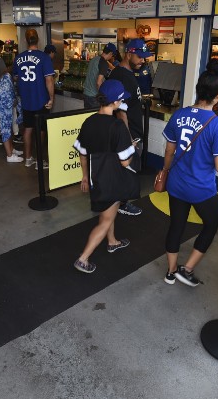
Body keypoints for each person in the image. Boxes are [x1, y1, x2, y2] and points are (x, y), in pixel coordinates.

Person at [161, 60, 218, 287]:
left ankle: (171, 272)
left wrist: (165, 171)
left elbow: (169, 150)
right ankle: (188, 269)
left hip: (176, 182)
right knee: (211, 224)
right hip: (200, 188)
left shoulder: (179, 114)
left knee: (177, 224)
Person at [72, 80, 135, 274]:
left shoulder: (89, 121)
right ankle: (83, 259)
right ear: (116, 102)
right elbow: (125, 162)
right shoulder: (117, 126)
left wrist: (84, 177)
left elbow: (82, 152)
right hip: (112, 180)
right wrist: (133, 147)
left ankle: (112, 241)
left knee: (108, 212)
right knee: (105, 220)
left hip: (94, 177)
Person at [107, 38, 152, 216]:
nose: (142, 60)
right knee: (125, 169)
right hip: (127, 132)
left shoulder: (127, 73)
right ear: (128, 54)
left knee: (128, 170)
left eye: (144, 57)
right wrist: (127, 139)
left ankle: (119, 202)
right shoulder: (120, 75)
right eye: (139, 56)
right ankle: (121, 204)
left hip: (133, 130)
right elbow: (120, 111)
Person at [13, 28, 55, 169]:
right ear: (38, 39)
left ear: (25, 40)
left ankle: (28, 158)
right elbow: (49, 80)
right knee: (41, 130)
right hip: (41, 99)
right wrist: (51, 98)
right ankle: (39, 161)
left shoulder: (18, 58)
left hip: (26, 100)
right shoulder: (44, 58)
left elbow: (16, 77)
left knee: (28, 129)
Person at [0, 65, 24, 162]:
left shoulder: (7, 77)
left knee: (8, 130)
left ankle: (11, 149)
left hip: (4, 107)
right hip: (3, 109)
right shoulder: (6, 80)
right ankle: (9, 156)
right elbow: (6, 97)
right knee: (6, 131)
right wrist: (15, 101)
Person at [83, 43, 116, 109]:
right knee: (97, 118)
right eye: (112, 55)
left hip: (86, 94)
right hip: (94, 97)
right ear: (110, 53)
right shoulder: (104, 63)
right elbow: (99, 82)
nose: (111, 57)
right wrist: (102, 97)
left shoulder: (94, 59)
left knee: (89, 117)